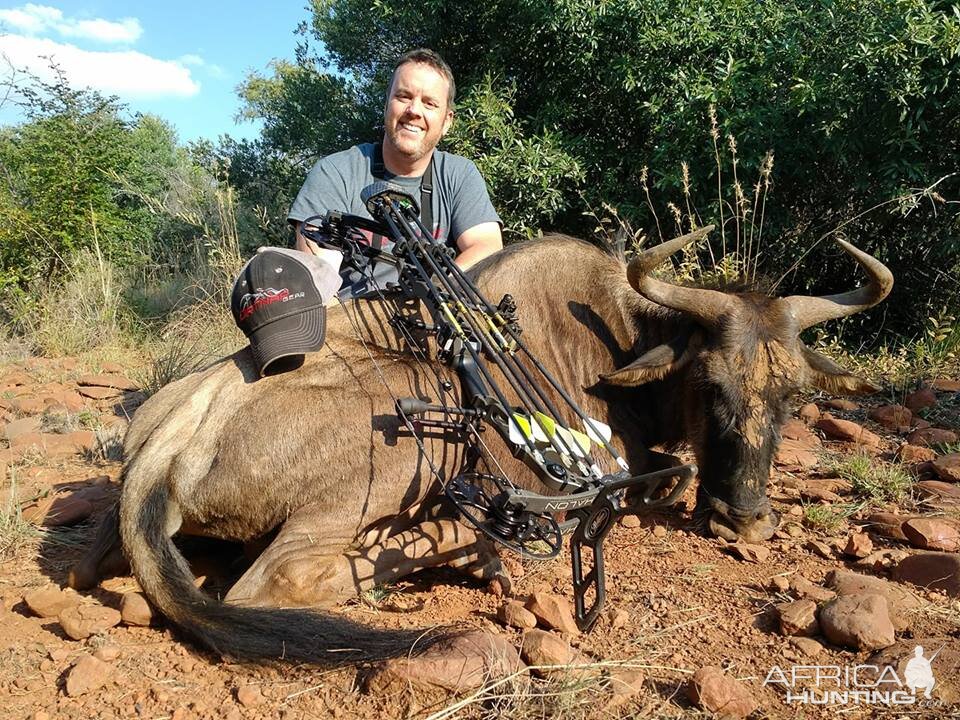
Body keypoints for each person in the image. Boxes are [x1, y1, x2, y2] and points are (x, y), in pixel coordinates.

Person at [288, 48, 503, 297]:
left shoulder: (459, 174)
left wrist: (429, 292)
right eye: (403, 96)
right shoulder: (335, 171)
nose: (414, 110)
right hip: (350, 324)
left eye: (430, 103)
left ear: (447, 122)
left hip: (431, 318)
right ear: (386, 104)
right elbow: (318, 271)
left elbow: (487, 246)